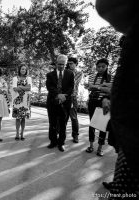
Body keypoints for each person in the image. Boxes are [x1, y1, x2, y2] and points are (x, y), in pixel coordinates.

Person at [96, 0, 139, 198]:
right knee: (122, 169)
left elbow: (107, 7)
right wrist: (110, 95)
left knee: (125, 188)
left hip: (136, 137)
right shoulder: (133, 38)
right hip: (129, 134)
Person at [84, 58, 113, 157]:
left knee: (102, 125)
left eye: (103, 66)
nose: (100, 68)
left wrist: (96, 87)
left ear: (107, 67)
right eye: (98, 66)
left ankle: (100, 148)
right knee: (92, 124)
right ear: (96, 67)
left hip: (104, 102)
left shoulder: (111, 78)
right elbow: (89, 88)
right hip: (92, 102)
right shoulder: (92, 76)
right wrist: (90, 87)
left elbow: (111, 91)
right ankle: (91, 145)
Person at [46, 54, 74, 152]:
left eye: (63, 64)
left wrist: (64, 96)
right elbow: (49, 87)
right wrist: (58, 95)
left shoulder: (70, 74)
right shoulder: (50, 75)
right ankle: (53, 141)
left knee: (63, 124)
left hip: (65, 102)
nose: (61, 66)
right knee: (52, 123)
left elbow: (71, 87)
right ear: (56, 63)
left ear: (65, 64)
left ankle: (61, 143)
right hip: (52, 102)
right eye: (59, 64)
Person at [12, 65, 32, 140]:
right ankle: (17, 133)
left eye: (25, 69)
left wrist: (20, 87)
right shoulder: (15, 78)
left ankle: (22, 134)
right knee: (17, 118)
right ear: (19, 70)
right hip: (17, 100)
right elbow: (14, 88)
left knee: (23, 118)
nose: (23, 70)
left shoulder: (29, 78)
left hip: (26, 100)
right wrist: (24, 87)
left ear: (26, 70)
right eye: (22, 69)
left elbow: (29, 88)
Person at [66, 57, 83, 143]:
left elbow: (73, 83)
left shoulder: (79, 73)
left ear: (76, 64)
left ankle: (75, 135)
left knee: (73, 117)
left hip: (72, 97)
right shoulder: (64, 72)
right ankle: (60, 133)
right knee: (62, 116)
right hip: (64, 97)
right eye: (68, 63)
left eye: (71, 63)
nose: (69, 65)